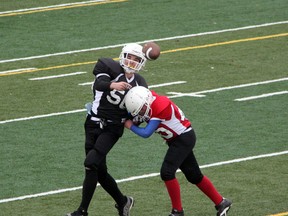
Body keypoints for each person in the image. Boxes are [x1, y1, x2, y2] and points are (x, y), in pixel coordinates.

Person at [66, 43, 148, 216]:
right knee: (99, 171)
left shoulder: (140, 83)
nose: (132, 62)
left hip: (112, 128)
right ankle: (123, 201)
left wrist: (138, 118)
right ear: (123, 55)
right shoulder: (108, 66)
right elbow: (99, 83)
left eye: (137, 59)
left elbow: (139, 112)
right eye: (130, 57)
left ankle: (82, 211)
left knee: (90, 163)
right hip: (92, 123)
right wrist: (113, 85)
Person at [124, 86, 232, 216]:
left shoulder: (160, 104)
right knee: (194, 175)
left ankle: (177, 211)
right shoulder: (145, 102)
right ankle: (221, 202)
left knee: (167, 172)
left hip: (183, 138)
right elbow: (135, 115)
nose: (141, 112)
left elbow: (146, 132)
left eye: (141, 109)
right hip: (177, 140)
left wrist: (130, 125)